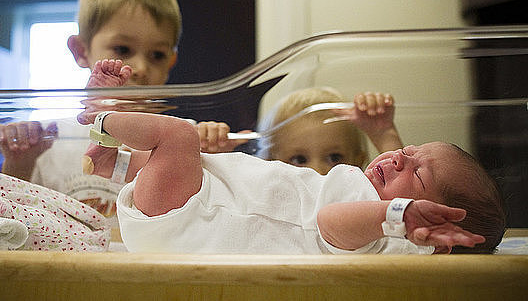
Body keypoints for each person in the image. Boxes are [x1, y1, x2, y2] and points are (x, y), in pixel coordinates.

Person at [78, 60, 505, 255]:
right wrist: (394, 159)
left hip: (192, 218)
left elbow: (329, 223)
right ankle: (109, 161)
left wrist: (396, 214)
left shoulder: (391, 235)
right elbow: (396, 164)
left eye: (420, 174)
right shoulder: (381, 202)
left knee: (178, 136)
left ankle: (104, 115)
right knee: (201, 164)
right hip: (201, 205)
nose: (398, 158)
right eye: (408, 152)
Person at [0, 0, 244, 220]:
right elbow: (13, 222)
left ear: (171, 61)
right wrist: (20, 162)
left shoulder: (187, 138)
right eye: (123, 49)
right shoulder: (49, 141)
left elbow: (214, 217)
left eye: (157, 55)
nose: (143, 68)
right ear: (80, 51)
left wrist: (216, 155)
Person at [258, 87, 403, 175]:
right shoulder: (270, 203)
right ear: (270, 164)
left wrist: (383, 135)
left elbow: (402, 197)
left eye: (334, 158)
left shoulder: (358, 198)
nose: (318, 171)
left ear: (358, 163)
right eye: (299, 159)